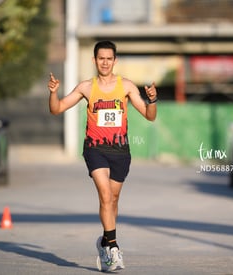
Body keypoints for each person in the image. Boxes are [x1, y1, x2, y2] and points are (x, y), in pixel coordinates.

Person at [47, 40, 157, 272]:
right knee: (105, 195)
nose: (105, 62)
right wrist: (54, 93)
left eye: (109, 58)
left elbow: (149, 116)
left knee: (113, 200)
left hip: (120, 152)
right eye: (101, 58)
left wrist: (153, 100)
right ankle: (114, 248)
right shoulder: (86, 87)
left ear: (114, 61)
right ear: (94, 60)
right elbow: (56, 109)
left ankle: (105, 241)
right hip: (95, 149)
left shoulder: (126, 86)